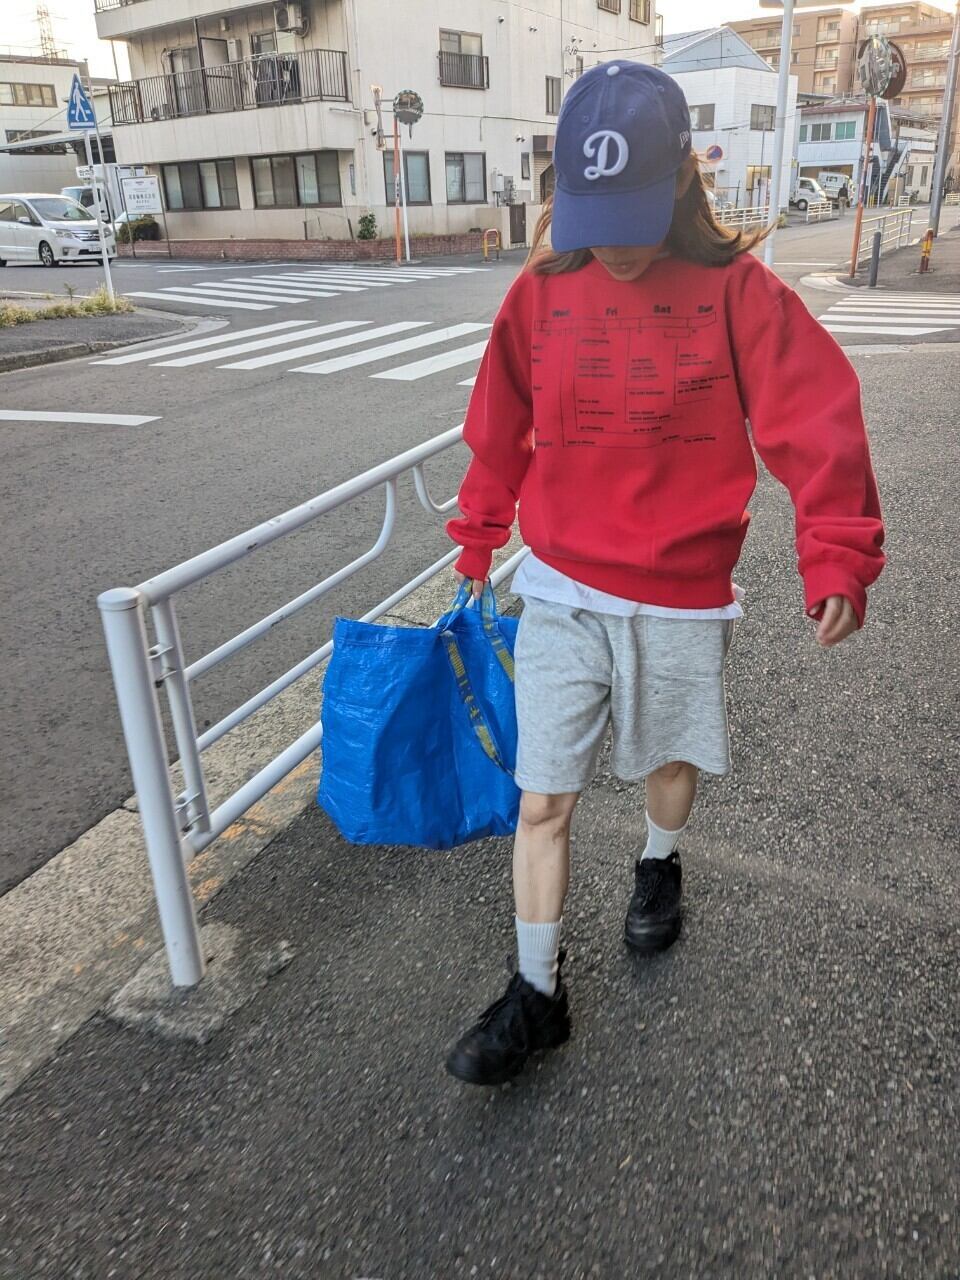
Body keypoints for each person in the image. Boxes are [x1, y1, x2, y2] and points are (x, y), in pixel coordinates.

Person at [443, 61, 886, 1087]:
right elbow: (500, 422)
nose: (617, 244)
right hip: (561, 585)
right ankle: (536, 992)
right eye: (595, 217)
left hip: (684, 592)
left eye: (634, 214)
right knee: (541, 800)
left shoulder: (737, 292)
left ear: (686, 174)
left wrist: (836, 549)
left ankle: (657, 859)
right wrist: (478, 535)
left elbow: (815, 417)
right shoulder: (541, 292)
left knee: (667, 761)